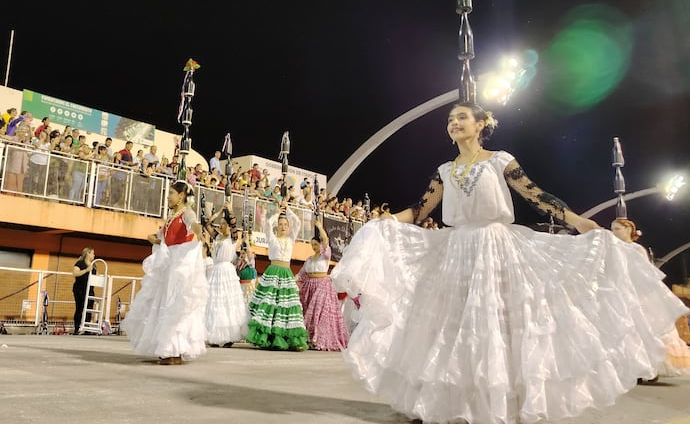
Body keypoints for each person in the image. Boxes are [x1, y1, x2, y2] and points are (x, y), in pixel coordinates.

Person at [330, 102, 690, 424]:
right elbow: (420, 209)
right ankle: (454, 404)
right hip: (456, 250)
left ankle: (501, 405)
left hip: (496, 246)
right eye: (450, 120)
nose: (453, 123)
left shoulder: (500, 160)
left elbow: (537, 196)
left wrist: (578, 221)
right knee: (454, 328)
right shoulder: (444, 170)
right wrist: (388, 220)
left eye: (461, 118)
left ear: (480, 123)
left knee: (497, 326)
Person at [121, 181, 208, 365]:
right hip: (168, 264)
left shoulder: (186, 213)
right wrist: (154, 239)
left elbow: (194, 224)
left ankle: (174, 350)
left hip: (179, 263)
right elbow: (158, 236)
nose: (168, 197)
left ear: (181, 196)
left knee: (174, 304)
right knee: (162, 303)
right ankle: (167, 349)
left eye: (171, 194)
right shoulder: (170, 218)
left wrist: (199, 233)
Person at [610, 218, 690, 378]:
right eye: (612, 229)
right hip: (621, 293)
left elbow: (644, 273)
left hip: (639, 295)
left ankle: (652, 366)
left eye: (617, 229)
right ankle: (633, 367)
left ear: (628, 230)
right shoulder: (614, 249)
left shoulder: (636, 249)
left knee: (647, 327)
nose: (614, 232)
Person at [245, 203, 308, 351]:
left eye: (285, 224)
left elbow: (298, 222)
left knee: (286, 307)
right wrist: (277, 213)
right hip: (273, 272)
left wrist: (288, 209)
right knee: (270, 306)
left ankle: (287, 338)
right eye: (280, 224)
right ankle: (269, 337)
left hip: (286, 273)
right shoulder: (272, 238)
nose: (283, 227)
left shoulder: (291, 239)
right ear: (277, 226)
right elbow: (267, 224)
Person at [296, 216, 349, 351]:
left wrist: (320, 227)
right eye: (312, 245)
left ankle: (319, 339)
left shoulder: (325, 255)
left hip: (322, 286)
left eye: (316, 244)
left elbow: (326, 240)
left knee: (319, 313)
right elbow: (301, 273)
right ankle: (309, 337)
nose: (314, 247)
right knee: (309, 310)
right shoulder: (309, 259)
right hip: (309, 286)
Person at [203, 203, 249, 347]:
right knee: (214, 303)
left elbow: (234, 224)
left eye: (224, 224)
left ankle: (229, 336)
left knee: (228, 304)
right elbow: (206, 223)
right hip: (215, 272)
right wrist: (219, 212)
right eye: (220, 224)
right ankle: (213, 335)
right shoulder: (216, 237)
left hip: (227, 271)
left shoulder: (233, 238)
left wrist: (230, 210)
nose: (221, 226)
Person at [72, 247, 96, 335]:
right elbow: (75, 273)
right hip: (80, 289)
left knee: (89, 308)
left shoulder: (94, 264)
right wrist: (86, 270)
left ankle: (87, 328)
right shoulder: (80, 263)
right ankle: (77, 328)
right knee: (79, 308)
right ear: (88, 254)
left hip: (90, 289)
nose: (94, 255)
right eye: (92, 253)